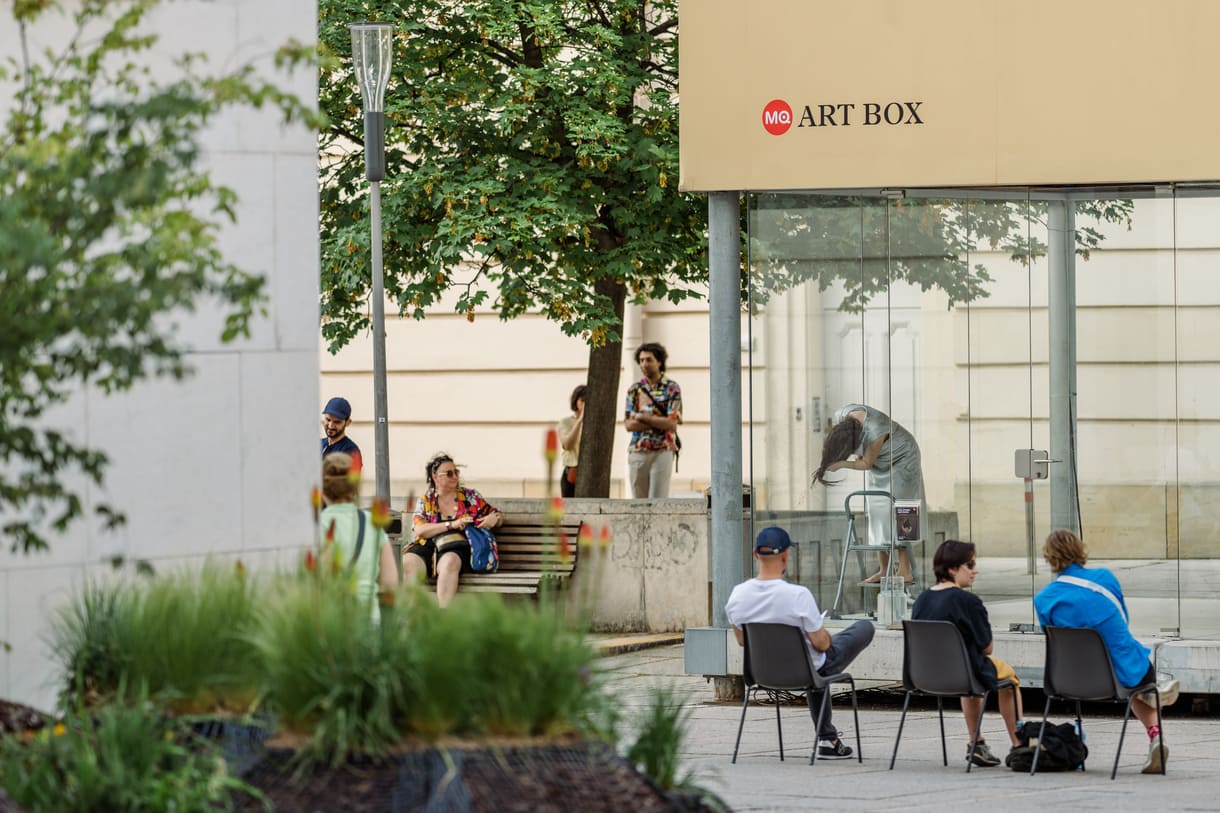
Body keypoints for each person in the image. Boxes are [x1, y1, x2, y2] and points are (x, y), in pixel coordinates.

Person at [1034, 529, 1180, 774]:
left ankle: (1151, 693)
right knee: (1138, 678)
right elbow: (1123, 619)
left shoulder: (1043, 599)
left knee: (1130, 673)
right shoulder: (1105, 578)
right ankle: (1155, 731)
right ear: (1079, 550)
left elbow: (1051, 637)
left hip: (1069, 680)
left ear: (1049, 557)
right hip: (1121, 675)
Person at [726, 526, 875, 758]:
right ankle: (826, 739)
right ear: (786, 556)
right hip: (805, 671)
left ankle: (828, 739)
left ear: (756, 554)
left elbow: (742, 640)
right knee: (860, 630)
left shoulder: (737, 596)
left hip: (762, 674)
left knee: (817, 662)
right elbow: (823, 644)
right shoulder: (798, 596)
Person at [911, 539, 1024, 767]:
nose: (975, 570)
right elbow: (987, 648)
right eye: (970, 564)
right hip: (963, 674)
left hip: (924, 675)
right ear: (953, 569)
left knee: (968, 670)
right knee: (1009, 679)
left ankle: (977, 741)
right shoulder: (969, 601)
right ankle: (1019, 744)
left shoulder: (921, 600)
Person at [813, 403, 924, 584]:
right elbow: (857, 451)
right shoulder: (841, 416)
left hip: (903, 458)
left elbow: (866, 464)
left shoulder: (875, 428)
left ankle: (905, 570)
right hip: (880, 460)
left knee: (903, 511)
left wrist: (841, 464)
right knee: (876, 509)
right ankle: (883, 569)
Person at [404, 453, 504, 607]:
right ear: (435, 477)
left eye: (456, 472)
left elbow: (497, 515)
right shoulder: (426, 499)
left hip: (455, 546)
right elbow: (420, 530)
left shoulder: (470, 497)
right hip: (427, 544)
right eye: (449, 473)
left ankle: (443, 618)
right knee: (408, 562)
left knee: (449, 562)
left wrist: (494, 518)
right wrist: (451, 524)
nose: (454, 476)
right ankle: (409, 620)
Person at [318, 452, 398, 621]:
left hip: (330, 618)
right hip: (368, 618)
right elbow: (390, 584)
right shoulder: (372, 523)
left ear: (322, 488)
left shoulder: (318, 525)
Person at [624, 342, 682, 498]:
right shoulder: (634, 389)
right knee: (639, 502)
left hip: (663, 449)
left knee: (658, 501)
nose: (645, 364)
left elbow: (672, 423)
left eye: (649, 360)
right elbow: (629, 425)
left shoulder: (672, 388)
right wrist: (658, 420)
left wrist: (642, 417)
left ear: (659, 362)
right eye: (641, 360)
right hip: (638, 450)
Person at [558, 384, 587, 498]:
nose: (585, 404)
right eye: (582, 400)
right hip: (572, 475)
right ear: (576, 401)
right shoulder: (566, 422)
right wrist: (579, 421)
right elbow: (567, 445)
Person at [320, 396, 362, 468]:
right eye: (328, 419)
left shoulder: (353, 451)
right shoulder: (318, 444)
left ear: (348, 422)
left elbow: (354, 479)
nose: (330, 426)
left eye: (337, 422)